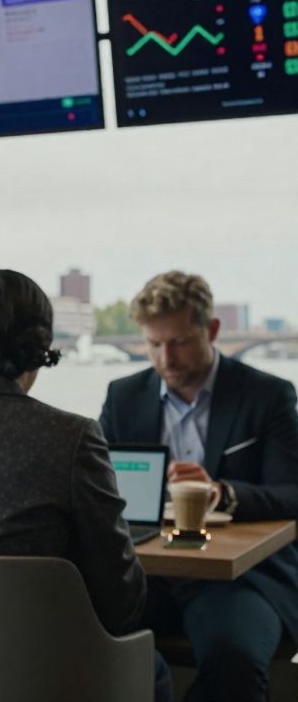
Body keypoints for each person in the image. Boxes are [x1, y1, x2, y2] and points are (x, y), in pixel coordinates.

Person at [0, 269, 171, 702]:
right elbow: (121, 602)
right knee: (155, 668)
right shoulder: (71, 438)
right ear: (40, 345)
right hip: (54, 675)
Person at [100, 271, 298, 702]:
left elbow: (293, 493)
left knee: (236, 660)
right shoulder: (123, 396)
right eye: (153, 345)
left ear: (211, 331)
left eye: (179, 342)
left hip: (243, 579)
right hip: (146, 574)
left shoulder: (268, 395)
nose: (165, 359)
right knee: (83, 635)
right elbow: (99, 488)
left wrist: (223, 493)